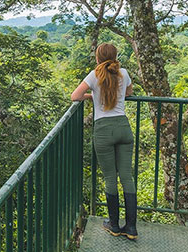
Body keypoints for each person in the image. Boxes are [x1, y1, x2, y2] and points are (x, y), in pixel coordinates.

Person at [71, 43, 137, 240]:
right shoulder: (123, 73)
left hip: (103, 131)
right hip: (123, 128)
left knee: (110, 178)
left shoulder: (94, 75)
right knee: (127, 177)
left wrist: (93, 95)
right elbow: (129, 94)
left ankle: (114, 225)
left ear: (98, 58)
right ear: (115, 56)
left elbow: (75, 96)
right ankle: (132, 228)